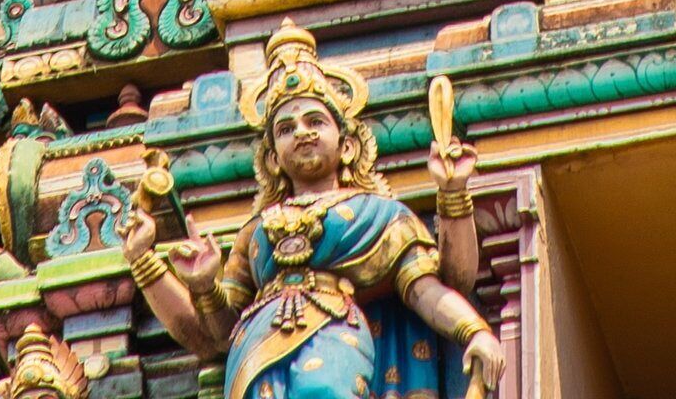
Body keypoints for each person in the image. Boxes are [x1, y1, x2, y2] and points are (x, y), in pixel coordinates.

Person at [129, 24, 508, 399]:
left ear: (346, 147)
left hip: (335, 344)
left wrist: (473, 331)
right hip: (256, 352)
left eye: (315, 122)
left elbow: (432, 288)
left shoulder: (377, 215)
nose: (302, 133)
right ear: (274, 159)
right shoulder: (256, 233)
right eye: (286, 128)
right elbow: (214, 337)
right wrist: (198, 283)